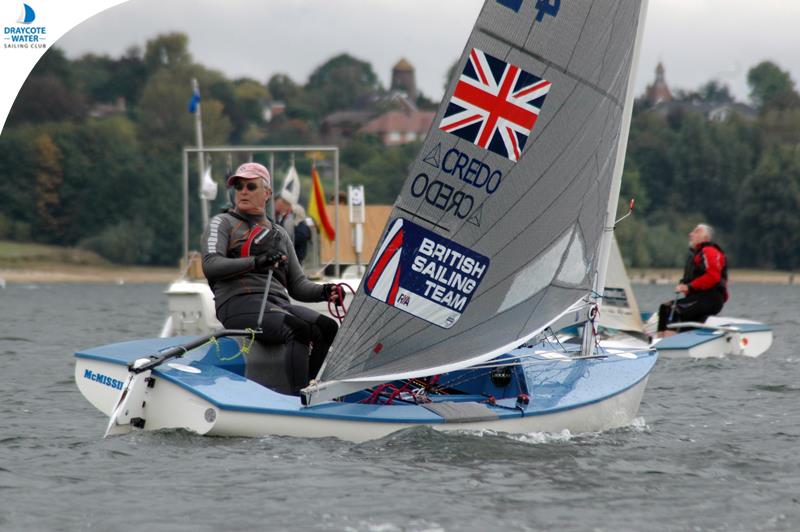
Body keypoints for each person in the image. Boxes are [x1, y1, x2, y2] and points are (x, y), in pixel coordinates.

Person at [201, 162, 341, 394]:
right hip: (237, 304)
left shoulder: (280, 234)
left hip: (276, 305)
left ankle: (315, 389)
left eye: (250, 186)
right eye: (239, 186)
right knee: (299, 330)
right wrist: (256, 261)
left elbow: (298, 286)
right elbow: (211, 265)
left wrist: (325, 292)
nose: (243, 191)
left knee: (327, 327)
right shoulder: (222, 222)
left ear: (266, 193)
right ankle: (299, 396)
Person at [656, 224, 728, 338]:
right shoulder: (695, 255)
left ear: (706, 238)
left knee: (672, 310)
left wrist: (688, 287)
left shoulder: (709, 251)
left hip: (711, 298)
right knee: (664, 308)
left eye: (697, 232)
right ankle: (657, 343)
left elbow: (713, 277)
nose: (691, 234)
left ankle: (666, 345)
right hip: (698, 299)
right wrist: (684, 284)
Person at [275, 195, 311, 263]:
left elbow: (297, 238)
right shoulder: (288, 223)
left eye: (291, 213)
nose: (289, 214)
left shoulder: (301, 226)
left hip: (296, 257)